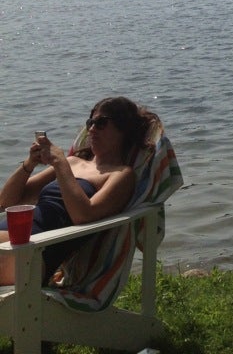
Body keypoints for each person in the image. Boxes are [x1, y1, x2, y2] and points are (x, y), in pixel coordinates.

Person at [0, 96, 158, 286]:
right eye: (90, 122)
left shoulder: (121, 175)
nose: (91, 129)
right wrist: (29, 164)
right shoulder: (73, 163)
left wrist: (60, 162)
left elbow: (83, 215)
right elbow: (6, 202)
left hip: (32, 252)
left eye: (101, 123)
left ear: (123, 130)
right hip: (12, 239)